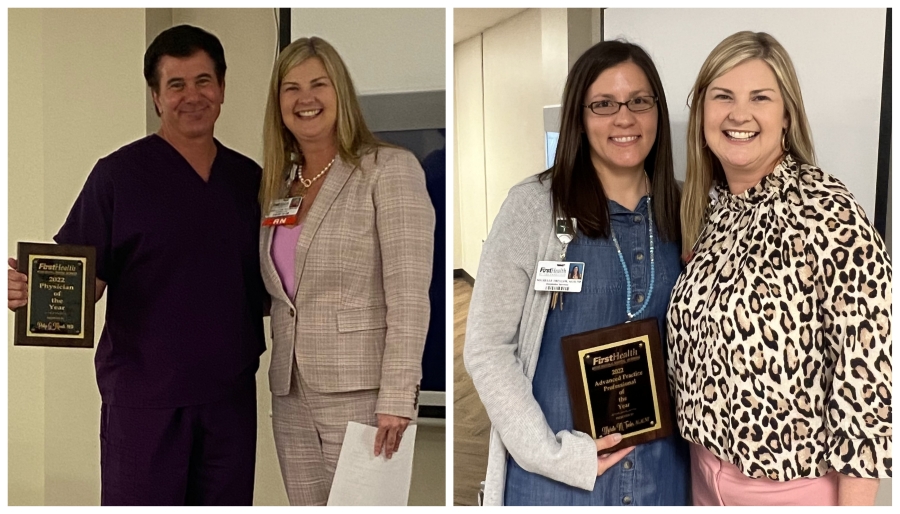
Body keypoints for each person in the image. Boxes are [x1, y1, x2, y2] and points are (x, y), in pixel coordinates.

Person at [7, 25, 266, 506]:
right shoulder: (118, 176)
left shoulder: (249, 181)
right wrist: (33, 292)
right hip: (146, 403)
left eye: (204, 81)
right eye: (176, 85)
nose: (193, 96)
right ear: (155, 96)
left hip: (228, 400)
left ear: (224, 88)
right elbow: (84, 278)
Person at [667, 31, 891, 506]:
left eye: (760, 98)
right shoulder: (708, 214)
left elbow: (867, 378)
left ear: (786, 115)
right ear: (703, 113)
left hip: (790, 489)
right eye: (722, 96)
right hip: (700, 474)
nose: (738, 114)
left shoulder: (827, 211)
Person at [464, 40, 690, 506]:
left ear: (656, 112)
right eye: (603, 104)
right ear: (580, 118)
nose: (624, 118)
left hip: (663, 478)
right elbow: (487, 349)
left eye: (639, 101)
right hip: (557, 480)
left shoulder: (689, 211)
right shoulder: (533, 208)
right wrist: (553, 455)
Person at [258, 36, 434, 505]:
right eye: (290, 88)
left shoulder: (388, 169)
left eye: (319, 84)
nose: (305, 98)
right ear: (278, 104)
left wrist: (398, 396)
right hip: (290, 391)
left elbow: (410, 295)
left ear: (342, 92)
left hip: (364, 393)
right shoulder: (280, 185)